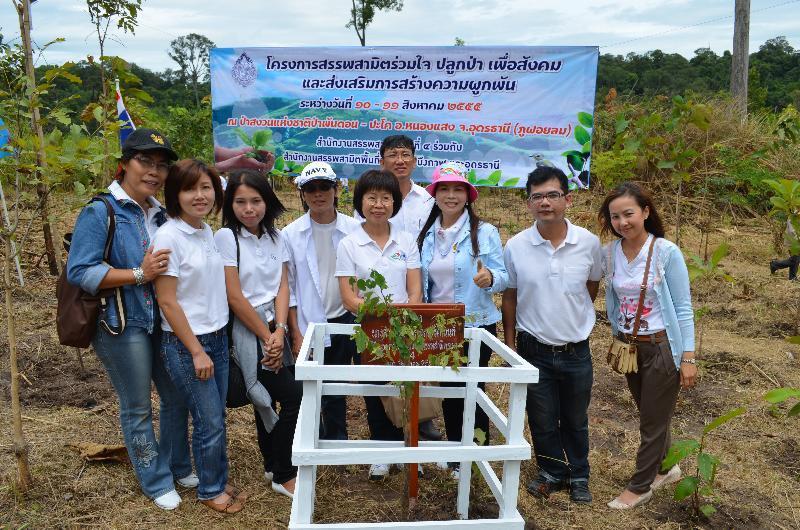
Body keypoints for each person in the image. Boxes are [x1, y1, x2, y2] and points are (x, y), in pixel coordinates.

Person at [66, 128, 192, 511]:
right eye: (145, 161)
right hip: (120, 324)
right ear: (124, 165)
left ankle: (177, 464)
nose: (154, 171)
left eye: (161, 165)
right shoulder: (101, 210)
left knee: (176, 397)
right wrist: (139, 274)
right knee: (137, 405)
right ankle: (155, 480)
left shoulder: (160, 213)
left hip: (161, 321)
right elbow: (81, 271)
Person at [501, 166, 602, 505]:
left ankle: (579, 474)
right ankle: (551, 472)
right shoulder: (516, 246)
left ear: (567, 199)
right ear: (528, 203)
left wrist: (572, 317)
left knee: (575, 417)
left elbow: (591, 286)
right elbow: (510, 296)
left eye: (552, 195)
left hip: (576, 349)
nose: (545, 202)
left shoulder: (588, 243)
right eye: (537, 197)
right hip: (533, 347)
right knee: (542, 417)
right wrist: (512, 345)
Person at [152, 159, 246, 514]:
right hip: (188, 344)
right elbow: (167, 301)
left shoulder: (206, 231)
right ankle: (210, 490)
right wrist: (195, 350)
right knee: (209, 421)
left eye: (206, 187)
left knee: (215, 416)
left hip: (217, 337)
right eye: (190, 189)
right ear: (175, 194)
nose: (200, 195)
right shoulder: (168, 237)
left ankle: (214, 476)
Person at [598, 182, 697, 510]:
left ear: (645, 212)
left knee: (651, 421)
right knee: (652, 413)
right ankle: (667, 468)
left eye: (629, 214)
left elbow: (682, 308)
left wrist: (688, 357)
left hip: (661, 346)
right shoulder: (610, 253)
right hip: (629, 347)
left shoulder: (666, 252)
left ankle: (640, 486)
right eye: (615, 217)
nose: (622, 222)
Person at [417, 162, 508, 477]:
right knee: (449, 389)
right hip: (439, 326)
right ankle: (457, 453)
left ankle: (473, 455)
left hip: (474, 324)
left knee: (473, 390)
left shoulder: (485, 232)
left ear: (468, 195)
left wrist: (490, 277)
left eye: (458, 189)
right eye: (445, 189)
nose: (451, 195)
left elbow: (504, 276)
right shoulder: (428, 234)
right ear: (436, 194)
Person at [215, 169, 301, 499]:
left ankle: (272, 463)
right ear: (229, 204)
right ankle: (283, 471)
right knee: (294, 396)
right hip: (247, 332)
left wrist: (279, 330)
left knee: (273, 396)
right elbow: (234, 296)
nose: (249, 209)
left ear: (268, 201)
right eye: (240, 202)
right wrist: (267, 338)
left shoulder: (277, 238)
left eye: (256, 201)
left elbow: (282, 286)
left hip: (272, 327)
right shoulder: (227, 238)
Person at [336, 169, 423, 480]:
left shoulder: (407, 240)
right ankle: (381, 452)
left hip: (405, 329)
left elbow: (415, 290)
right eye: (371, 197)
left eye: (386, 197)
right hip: (369, 330)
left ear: (394, 203)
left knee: (408, 389)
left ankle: (411, 452)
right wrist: (382, 315)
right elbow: (348, 297)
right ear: (360, 201)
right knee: (375, 391)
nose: (378, 204)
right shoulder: (349, 244)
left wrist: (403, 317)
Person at [283, 162, 361, 441]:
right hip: (310, 321)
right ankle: (312, 442)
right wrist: (295, 330)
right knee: (312, 386)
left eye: (324, 187)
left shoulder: (355, 229)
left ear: (336, 189)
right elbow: (288, 287)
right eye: (311, 189)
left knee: (337, 384)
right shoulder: (290, 234)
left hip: (347, 316)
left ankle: (337, 442)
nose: (318, 194)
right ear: (302, 195)